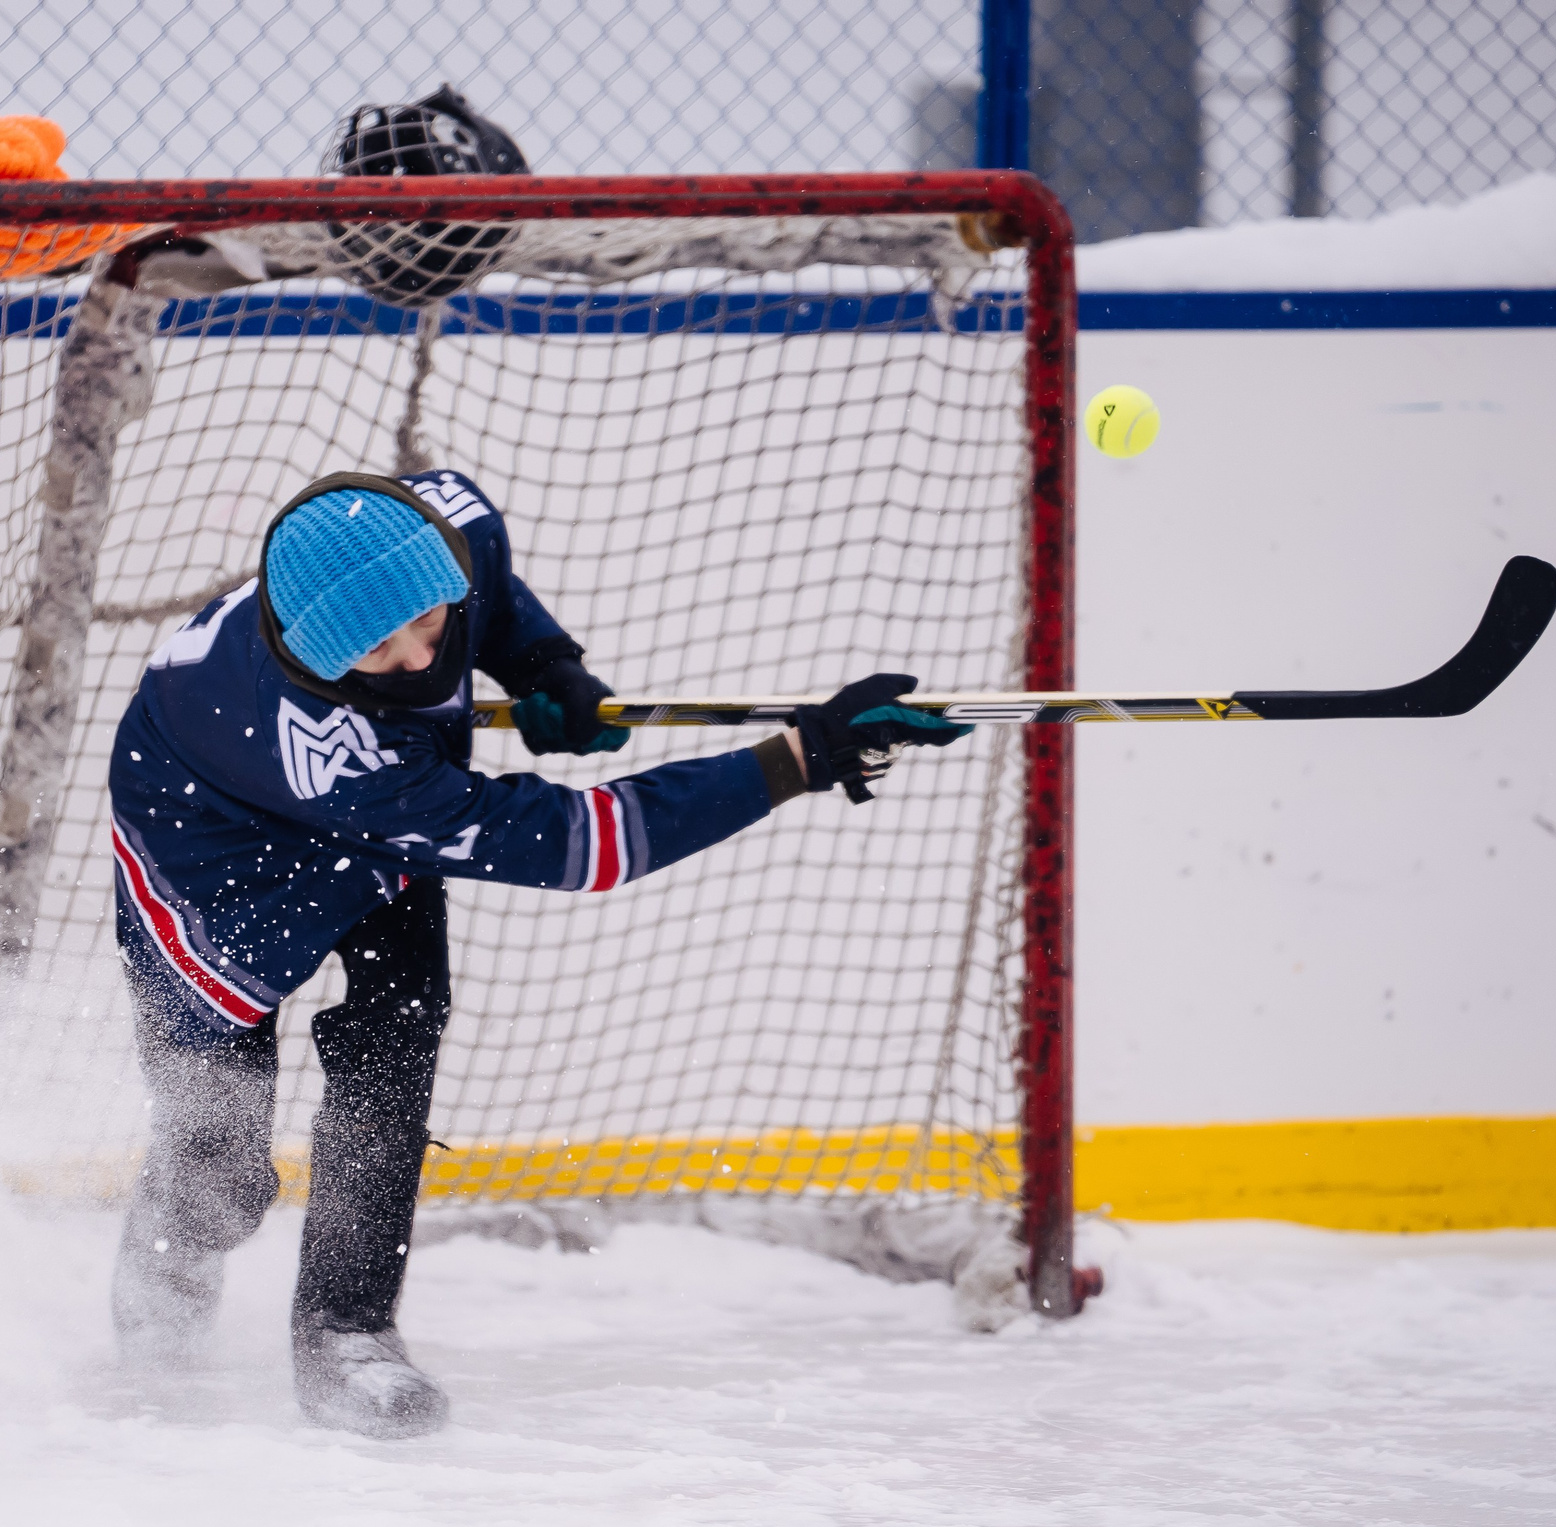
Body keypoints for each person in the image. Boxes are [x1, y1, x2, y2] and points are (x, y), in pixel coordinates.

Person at [106, 468, 964, 1437]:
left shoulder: (445, 531)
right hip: (210, 862)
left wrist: (541, 663)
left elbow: (488, 585)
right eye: (379, 651)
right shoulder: (333, 754)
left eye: (428, 621)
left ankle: (346, 1333)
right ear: (327, 659)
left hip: (379, 834)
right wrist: (797, 759)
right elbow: (579, 844)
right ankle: (161, 1302)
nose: (420, 655)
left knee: (396, 1040)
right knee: (220, 1172)